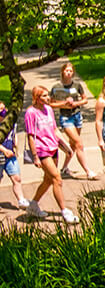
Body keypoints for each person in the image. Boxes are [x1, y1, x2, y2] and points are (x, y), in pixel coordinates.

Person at [23, 85, 78, 223]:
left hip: (52, 147)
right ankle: (65, 211)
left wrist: (66, 146)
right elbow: (30, 136)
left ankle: (33, 205)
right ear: (36, 98)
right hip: (41, 150)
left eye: (47, 95)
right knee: (57, 179)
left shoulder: (49, 110)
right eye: (44, 96)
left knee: (48, 180)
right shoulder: (31, 112)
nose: (48, 98)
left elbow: (55, 130)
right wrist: (35, 156)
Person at [48, 62, 98, 179]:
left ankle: (65, 168)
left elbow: (84, 100)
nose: (69, 73)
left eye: (71, 71)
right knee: (79, 144)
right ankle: (88, 171)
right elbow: (50, 103)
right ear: (62, 72)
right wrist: (64, 104)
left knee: (73, 145)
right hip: (65, 118)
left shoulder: (77, 85)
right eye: (67, 71)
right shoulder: (56, 87)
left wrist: (75, 103)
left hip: (77, 116)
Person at [0, 102, 29, 209]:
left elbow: (14, 134)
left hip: (10, 155)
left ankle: (21, 200)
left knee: (16, 178)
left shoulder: (11, 123)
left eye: (4, 109)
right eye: (0, 109)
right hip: (1, 154)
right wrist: (4, 150)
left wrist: (15, 146)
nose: (3, 111)